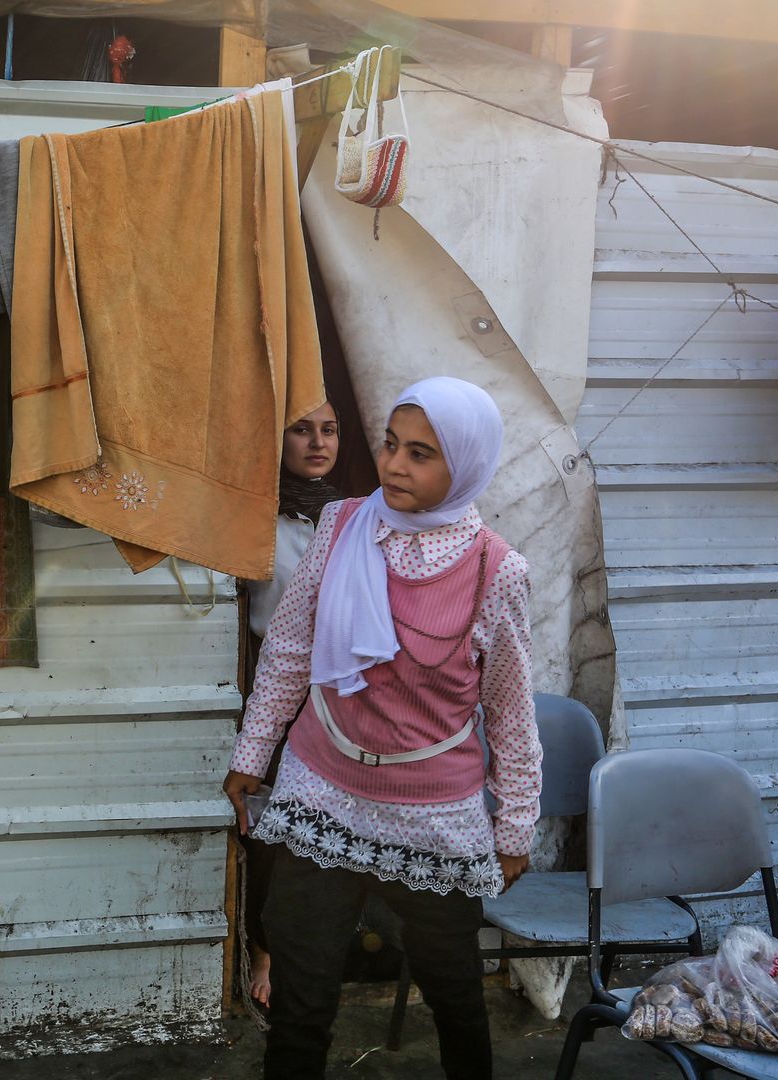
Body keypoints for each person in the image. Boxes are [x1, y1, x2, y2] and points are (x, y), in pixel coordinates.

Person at [223, 377, 542, 1080]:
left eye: (421, 454)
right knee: (302, 1001)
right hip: (322, 791)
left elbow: (512, 712)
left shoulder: (497, 569)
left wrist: (515, 828)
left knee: (456, 997)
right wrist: (254, 752)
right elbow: (290, 648)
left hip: (434, 815)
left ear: (467, 465)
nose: (394, 465)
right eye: (393, 445)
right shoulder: (343, 526)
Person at [242, 401, 344, 1011]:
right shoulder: (254, 517)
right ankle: (265, 950)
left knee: (330, 827)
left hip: (341, 694)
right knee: (272, 832)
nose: (317, 442)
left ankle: (320, 947)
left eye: (328, 430)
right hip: (279, 690)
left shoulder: (352, 517)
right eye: (301, 429)